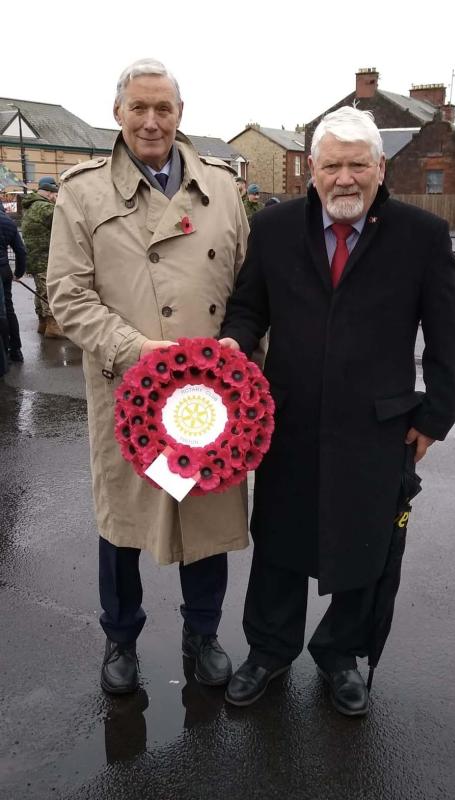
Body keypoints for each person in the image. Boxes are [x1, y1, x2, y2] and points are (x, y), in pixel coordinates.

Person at [219, 106, 455, 715]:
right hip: (286, 421)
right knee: (279, 542)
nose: (345, 178)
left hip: (377, 426)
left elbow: (447, 335)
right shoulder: (274, 228)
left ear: (381, 169)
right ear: (313, 170)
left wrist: (434, 418)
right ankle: (270, 650)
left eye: (359, 165)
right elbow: (249, 308)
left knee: (363, 546)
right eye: (332, 165)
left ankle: (339, 654)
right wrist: (234, 343)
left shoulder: (421, 236)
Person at [47, 58, 250, 696]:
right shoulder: (81, 193)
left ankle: (204, 633)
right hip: (129, 392)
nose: (152, 121)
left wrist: (240, 359)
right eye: (139, 108)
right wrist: (138, 351)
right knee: (123, 528)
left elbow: (249, 289)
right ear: (118, 114)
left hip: (209, 396)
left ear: (181, 115)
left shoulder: (223, 188)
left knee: (206, 517)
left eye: (164, 108)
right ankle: (120, 640)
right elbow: (67, 295)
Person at [21, 176, 64, 338]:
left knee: (40, 290)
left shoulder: (31, 205)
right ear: (48, 192)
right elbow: (66, 222)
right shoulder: (44, 208)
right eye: (54, 194)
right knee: (49, 291)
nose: (56, 197)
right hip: (45, 257)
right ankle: (53, 326)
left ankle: (43, 323)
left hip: (34, 256)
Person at [0, 204, 26, 363]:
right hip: (3, 270)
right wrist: (18, 273)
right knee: (8, 309)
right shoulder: (8, 222)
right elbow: (21, 251)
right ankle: (15, 349)